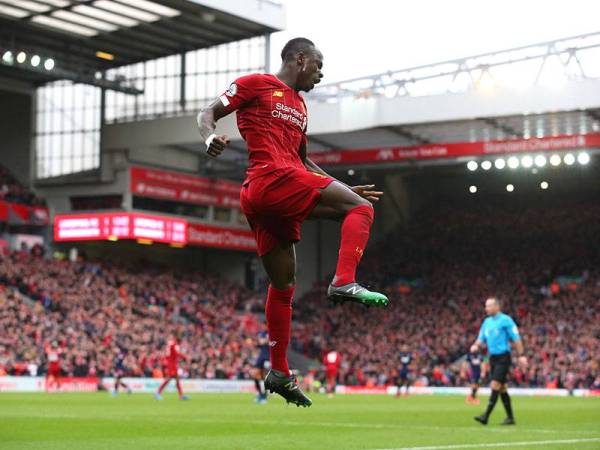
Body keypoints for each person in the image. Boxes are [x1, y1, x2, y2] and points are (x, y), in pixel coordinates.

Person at [197, 37, 389, 407]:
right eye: (318, 65)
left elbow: (302, 161)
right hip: (269, 179)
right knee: (360, 210)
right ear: (299, 59)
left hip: (269, 192)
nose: (321, 73)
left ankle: (280, 372)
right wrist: (209, 139)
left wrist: (345, 187)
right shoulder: (255, 84)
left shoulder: (300, 106)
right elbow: (207, 113)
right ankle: (344, 282)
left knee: (283, 284)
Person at [470, 297, 527, 425]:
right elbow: (481, 338)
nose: (486, 309)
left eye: (489, 306)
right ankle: (510, 418)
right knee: (502, 388)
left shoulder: (506, 320)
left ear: (497, 306)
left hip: (503, 357)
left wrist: (521, 355)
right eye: (486, 306)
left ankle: (485, 416)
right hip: (493, 358)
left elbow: (516, 338)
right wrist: (476, 345)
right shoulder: (487, 322)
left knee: (495, 385)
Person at [154, 336, 189, 401]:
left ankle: (181, 395)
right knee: (168, 379)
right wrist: (185, 357)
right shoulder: (175, 345)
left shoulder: (171, 344)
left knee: (177, 380)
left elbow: (170, 353)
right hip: (172, 365)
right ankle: (158, 393)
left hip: (172, 364)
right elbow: (176, 354)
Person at [252, 323, 270, 404]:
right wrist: (267, 340)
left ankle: (264, 397)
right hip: (261, 357)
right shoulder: (261, 333)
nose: (263, 327)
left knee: (264, 377)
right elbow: (260, 342)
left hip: (268, 357)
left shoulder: (272, 333)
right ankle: (260, 394)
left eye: (264, 325)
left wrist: (265, 341)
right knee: (255, 375)